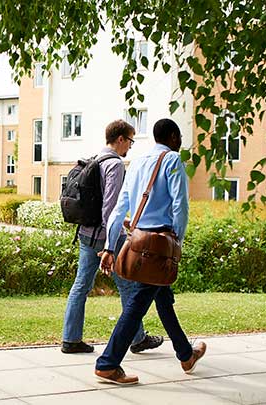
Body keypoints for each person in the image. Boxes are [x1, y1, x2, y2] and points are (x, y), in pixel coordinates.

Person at [94, 118, 206, 385]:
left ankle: (186, 354)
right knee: (137, 305)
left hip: (137, 240)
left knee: (163, 298)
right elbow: (180, 206)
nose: (180, 143)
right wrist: (177, 242)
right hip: (160, 244)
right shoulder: (172, 161)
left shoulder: (137, 163)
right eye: (178, 137)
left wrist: (111, 245)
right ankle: (108, 364)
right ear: (172, 137)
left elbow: (120, 209)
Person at [61, 119, 164, 354]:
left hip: (87, 232)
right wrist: (114, 239)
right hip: (106, 237)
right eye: (130, 141)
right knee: (128, 285)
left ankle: (70, 338)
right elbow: (110, 207)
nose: (130, 146)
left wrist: (123, 221)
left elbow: (101, 207)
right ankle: (137, 339)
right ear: (120, 139)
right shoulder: (115, 165)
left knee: (81, 285)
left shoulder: (96, 158)